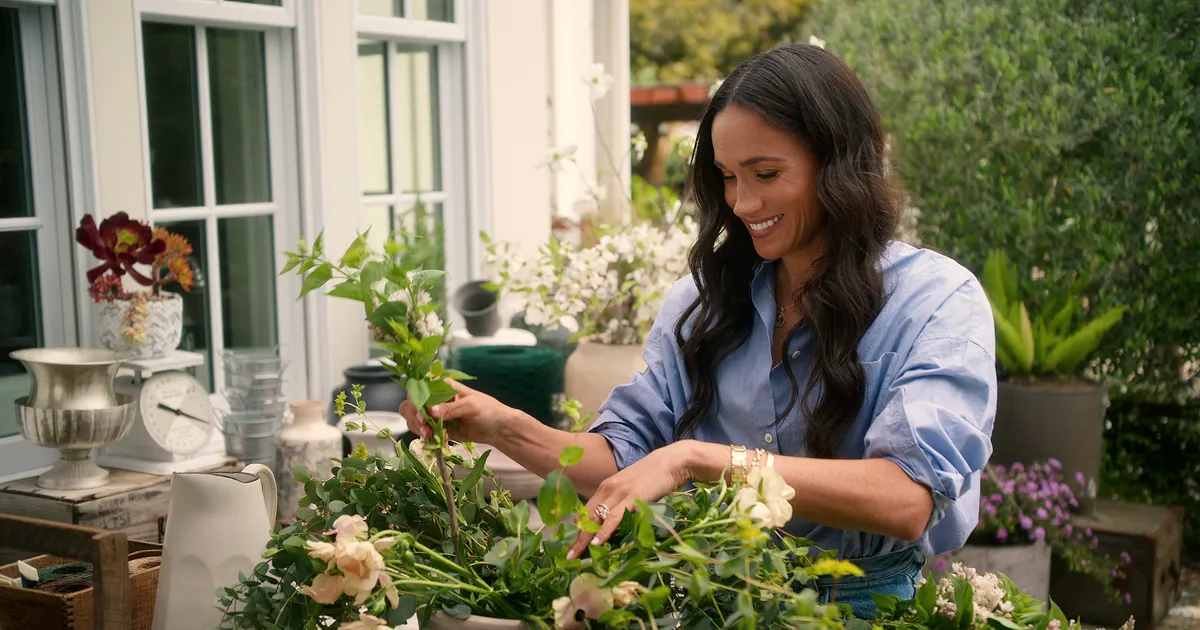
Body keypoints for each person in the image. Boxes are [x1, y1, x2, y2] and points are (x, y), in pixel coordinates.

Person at [400, 43, 996, 619]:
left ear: (838, 163)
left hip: (861, 611)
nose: (741, 201)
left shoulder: (936, 301)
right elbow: (621, 459)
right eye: (727, 176)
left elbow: (906, 500)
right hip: (714, 604)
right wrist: (502, 425)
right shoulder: (705, 305)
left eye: (765, 172)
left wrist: (695, 460)